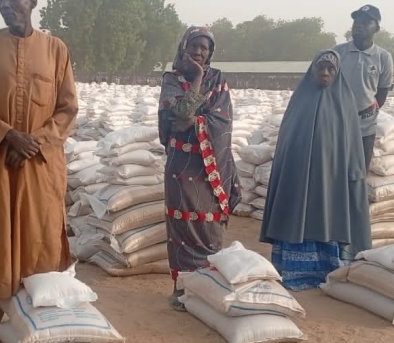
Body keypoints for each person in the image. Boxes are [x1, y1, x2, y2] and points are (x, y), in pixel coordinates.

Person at [0, 0, 77, 343]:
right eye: (2, 2)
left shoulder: (56, 49)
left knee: (41, 237)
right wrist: (8, 136)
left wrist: (34, 142)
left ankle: (41, 317)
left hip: (41, 166)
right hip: (0, 162)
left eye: (16, 1)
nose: (8, 7)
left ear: (32, 3)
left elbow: (67, 107)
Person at [259, 51, 370, 290]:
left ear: (337, 72)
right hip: (298, 174)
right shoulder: (301, 99)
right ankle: (293, 271)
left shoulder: (344, 101)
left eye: (331, 69)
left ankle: (325, 270)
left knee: (327, 216)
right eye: (321, 68)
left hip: (331, 176)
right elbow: (288, 138)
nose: (326, 73)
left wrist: (353, 173)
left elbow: (351, 143)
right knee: (296, 215)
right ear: (313, 70)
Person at [158, 26, 240, 310]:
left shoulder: (219, 80)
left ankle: (207, 288)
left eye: (205, 48)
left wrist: (195, 121)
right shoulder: (172, 79)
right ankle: (181, 289)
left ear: (211, 52)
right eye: (195, 46)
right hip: (181, 169)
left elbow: (222, 121)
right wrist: (197, 79)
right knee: (181, 229)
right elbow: (178, 113)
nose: (199, 52)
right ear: (184, 47)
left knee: (209, 226)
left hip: (209, 169)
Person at [334, 4, 394, 171]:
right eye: (356, 21)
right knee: (333, 173)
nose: (359, 25)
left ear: (377, 28)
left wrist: (369, 111)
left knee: (359, 175)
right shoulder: (338, 53)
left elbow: (382, 91)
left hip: (365, 129)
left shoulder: (383, 57)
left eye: (366, 22)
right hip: (337, 126)